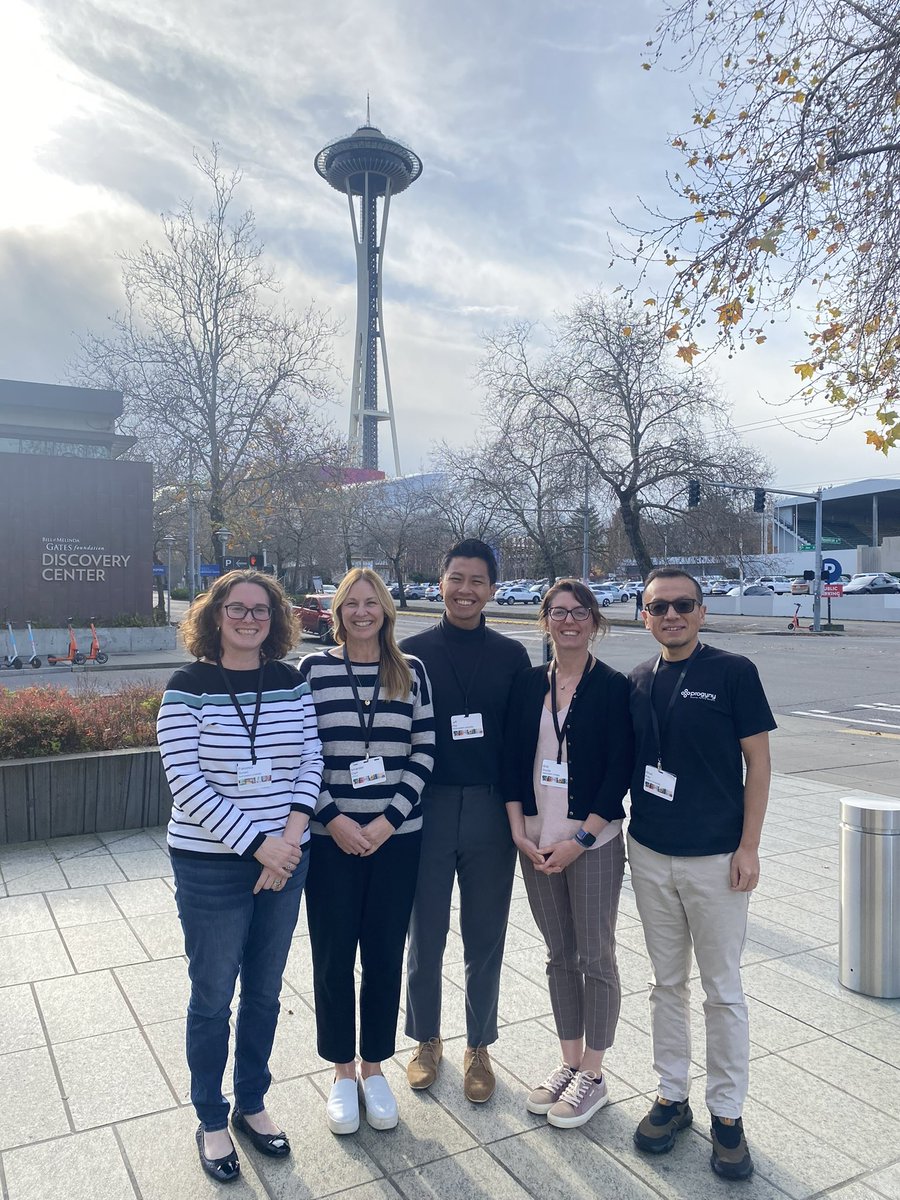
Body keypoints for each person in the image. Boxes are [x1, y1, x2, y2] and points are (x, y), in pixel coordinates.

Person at [157, 570, 323, 1184]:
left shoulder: (290, 681)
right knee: (212, 997)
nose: (249, 618)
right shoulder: (186, 688)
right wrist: (259, 847)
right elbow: (186, 783)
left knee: (265, 991)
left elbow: (311, 761)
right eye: (237, 608)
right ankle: (210, 1117)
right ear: (215, 614)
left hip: (286, 857)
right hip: (211, 867)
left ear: (275, 618)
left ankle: (252, 1101)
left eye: (260, 609)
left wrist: (288, 842)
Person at [628, 567, 775, 1181]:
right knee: (666, 983)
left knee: (723, 989)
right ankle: (672, 1094)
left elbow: (759, 763)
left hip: (717, 857)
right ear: (644, 616)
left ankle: (727, 1112)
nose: (672, 615)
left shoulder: (733, 672)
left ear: (702, 611)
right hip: (650, 852)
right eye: (659, 607)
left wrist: (749, 847)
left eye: (683, 605)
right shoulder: (638, 680)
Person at [298, 569, 434, 1135]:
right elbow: (301, 751)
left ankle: (375, 1067)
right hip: (330, 841)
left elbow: (425, 750)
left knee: (383, 955)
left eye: (371, 602)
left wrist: (386, 821)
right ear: (337, 611)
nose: (361, 612)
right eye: (351, 602)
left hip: (395, 840)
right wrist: (334, 819)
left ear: (386, 610)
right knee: (333, 957)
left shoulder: (411, 670)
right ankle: (342, 1071)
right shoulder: (314, 669)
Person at [401, 538, 531, 1102]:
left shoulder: (511, 655)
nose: (466, 590)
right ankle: (425, 1038)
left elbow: (522, 742)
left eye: (477, 581)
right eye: (456, 578)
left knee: (485, 934)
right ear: (441, 583)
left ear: (492, 590)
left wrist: (524, 816)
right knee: (424, 933)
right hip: (426, 808)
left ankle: (479, 1045)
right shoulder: (409, 654)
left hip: (490, 810)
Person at [503, 580, 632, 1128]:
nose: (569, 621)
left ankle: (594, 1076)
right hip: (535, 842)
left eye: (580, 612)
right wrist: (518, 830)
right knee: (559, 954)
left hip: (591, 844)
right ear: (545, 620)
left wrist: (579, 841)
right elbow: (510, 759)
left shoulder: (614, 686)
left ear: (594, 621)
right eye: (558, 612)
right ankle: (570, 1062)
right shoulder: (528, 683)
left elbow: (619, 771)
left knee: (595, 956)